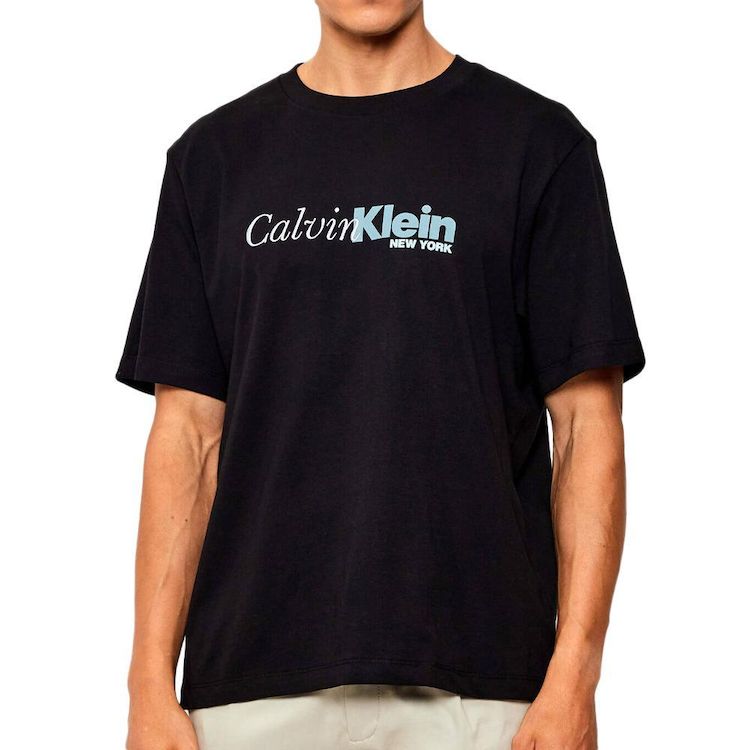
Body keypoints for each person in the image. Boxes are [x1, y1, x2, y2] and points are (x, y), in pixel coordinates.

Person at [118, 1, 645, 748]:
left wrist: (575, 678)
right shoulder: (213, 160)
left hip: (482, 691)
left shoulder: (537, 144)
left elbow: (588, 425)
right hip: (249, 691)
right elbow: (187, 438)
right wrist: (147, 682)